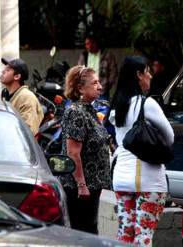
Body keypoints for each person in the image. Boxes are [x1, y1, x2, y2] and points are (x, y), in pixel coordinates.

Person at [108, 56, 174, 246]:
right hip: (148, 179)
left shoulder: (117, 105)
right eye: (147, 72)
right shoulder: (147, 104)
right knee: (143, 236)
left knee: (124, 235)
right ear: (138, 75)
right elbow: (169, 137)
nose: (151, 76)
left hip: (121, 177)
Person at [58, 65, 111, 234]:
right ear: (80, 88)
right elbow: (73, 152)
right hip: (80, 189)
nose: (100, 87)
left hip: (93, 186)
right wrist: (81, 185)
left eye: (99, 82)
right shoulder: (76, 112)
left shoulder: (90, 110)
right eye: (95, 83)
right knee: (83, 232)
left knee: (89, 230)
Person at [0, 58, 43, 136]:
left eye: (8, 70)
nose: (3, 71)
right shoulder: (5, 93)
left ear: (17, 76)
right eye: (4, 69)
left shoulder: (27, 97)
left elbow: (29, 132)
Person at [78, 35, 118, 100]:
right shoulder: (84, 55)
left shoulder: (106, 55)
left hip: (102, 90)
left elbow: (113, 71)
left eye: (88, 44)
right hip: (87, 91)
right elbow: (79, 70)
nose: (86, 46)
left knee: (102, 109)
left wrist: (107, 85)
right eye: (85, 44)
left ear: (94, 43)